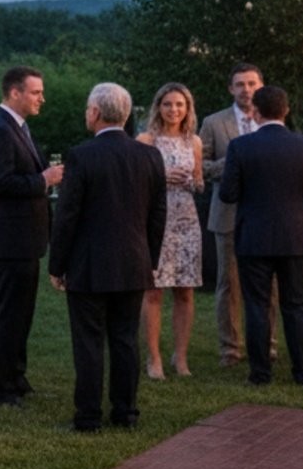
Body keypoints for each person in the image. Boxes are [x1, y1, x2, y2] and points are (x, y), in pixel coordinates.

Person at [50, 83, 167, 431]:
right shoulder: (150, 156)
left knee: (88, 342)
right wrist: (151, 258)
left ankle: (88, 416)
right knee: (125, 338)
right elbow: (158, 212)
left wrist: (57, 265)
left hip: (89, 263)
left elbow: (67, 215)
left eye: (88, 108)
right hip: (134, 261)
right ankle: (126, 412)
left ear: (96, 113)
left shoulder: (81, 156)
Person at [219, 85, 303, 385]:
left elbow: (228, 194)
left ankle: (260, 372)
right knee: (294, 304)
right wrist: (298, 215)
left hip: (253, 236)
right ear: (286, 110)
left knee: (256, 305)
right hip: (294, 235)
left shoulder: (240, 147)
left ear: (255, 112)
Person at [0, 65, 65, 406]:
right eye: (36, 92)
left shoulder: (19, 128)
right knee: (9, 313)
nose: (42, 98)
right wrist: (45, 179)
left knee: (22, 312)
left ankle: (16, 374)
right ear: (15, 93)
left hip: (25, 238)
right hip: (8, 239)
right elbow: (0, 183)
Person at [199, 63, 276, 366]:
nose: (247, 90)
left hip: (268, 213)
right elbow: (200, 164)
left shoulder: (273, 120)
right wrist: (233, 164)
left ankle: (268, 345)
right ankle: (230, 349)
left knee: (269, 285)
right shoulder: (213, 122)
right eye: (240, 84)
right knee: (228, 284)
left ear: (261, 86)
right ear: (231, 89)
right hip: (228, 212)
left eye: (252, 84)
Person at [137, 83, 204, 379]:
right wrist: (162, 178)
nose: (174, 110)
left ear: (187, 109)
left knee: (185, 292)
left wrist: (192, 181)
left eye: (179, 104)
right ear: (158, 107)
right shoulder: (146, 140)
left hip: (186, 221)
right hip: (155, 220)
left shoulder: (195, 142)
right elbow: (132, 181)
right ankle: (154, 358)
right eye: (168, 104)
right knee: (153, 291)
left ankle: (181, 357)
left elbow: (200, 183)